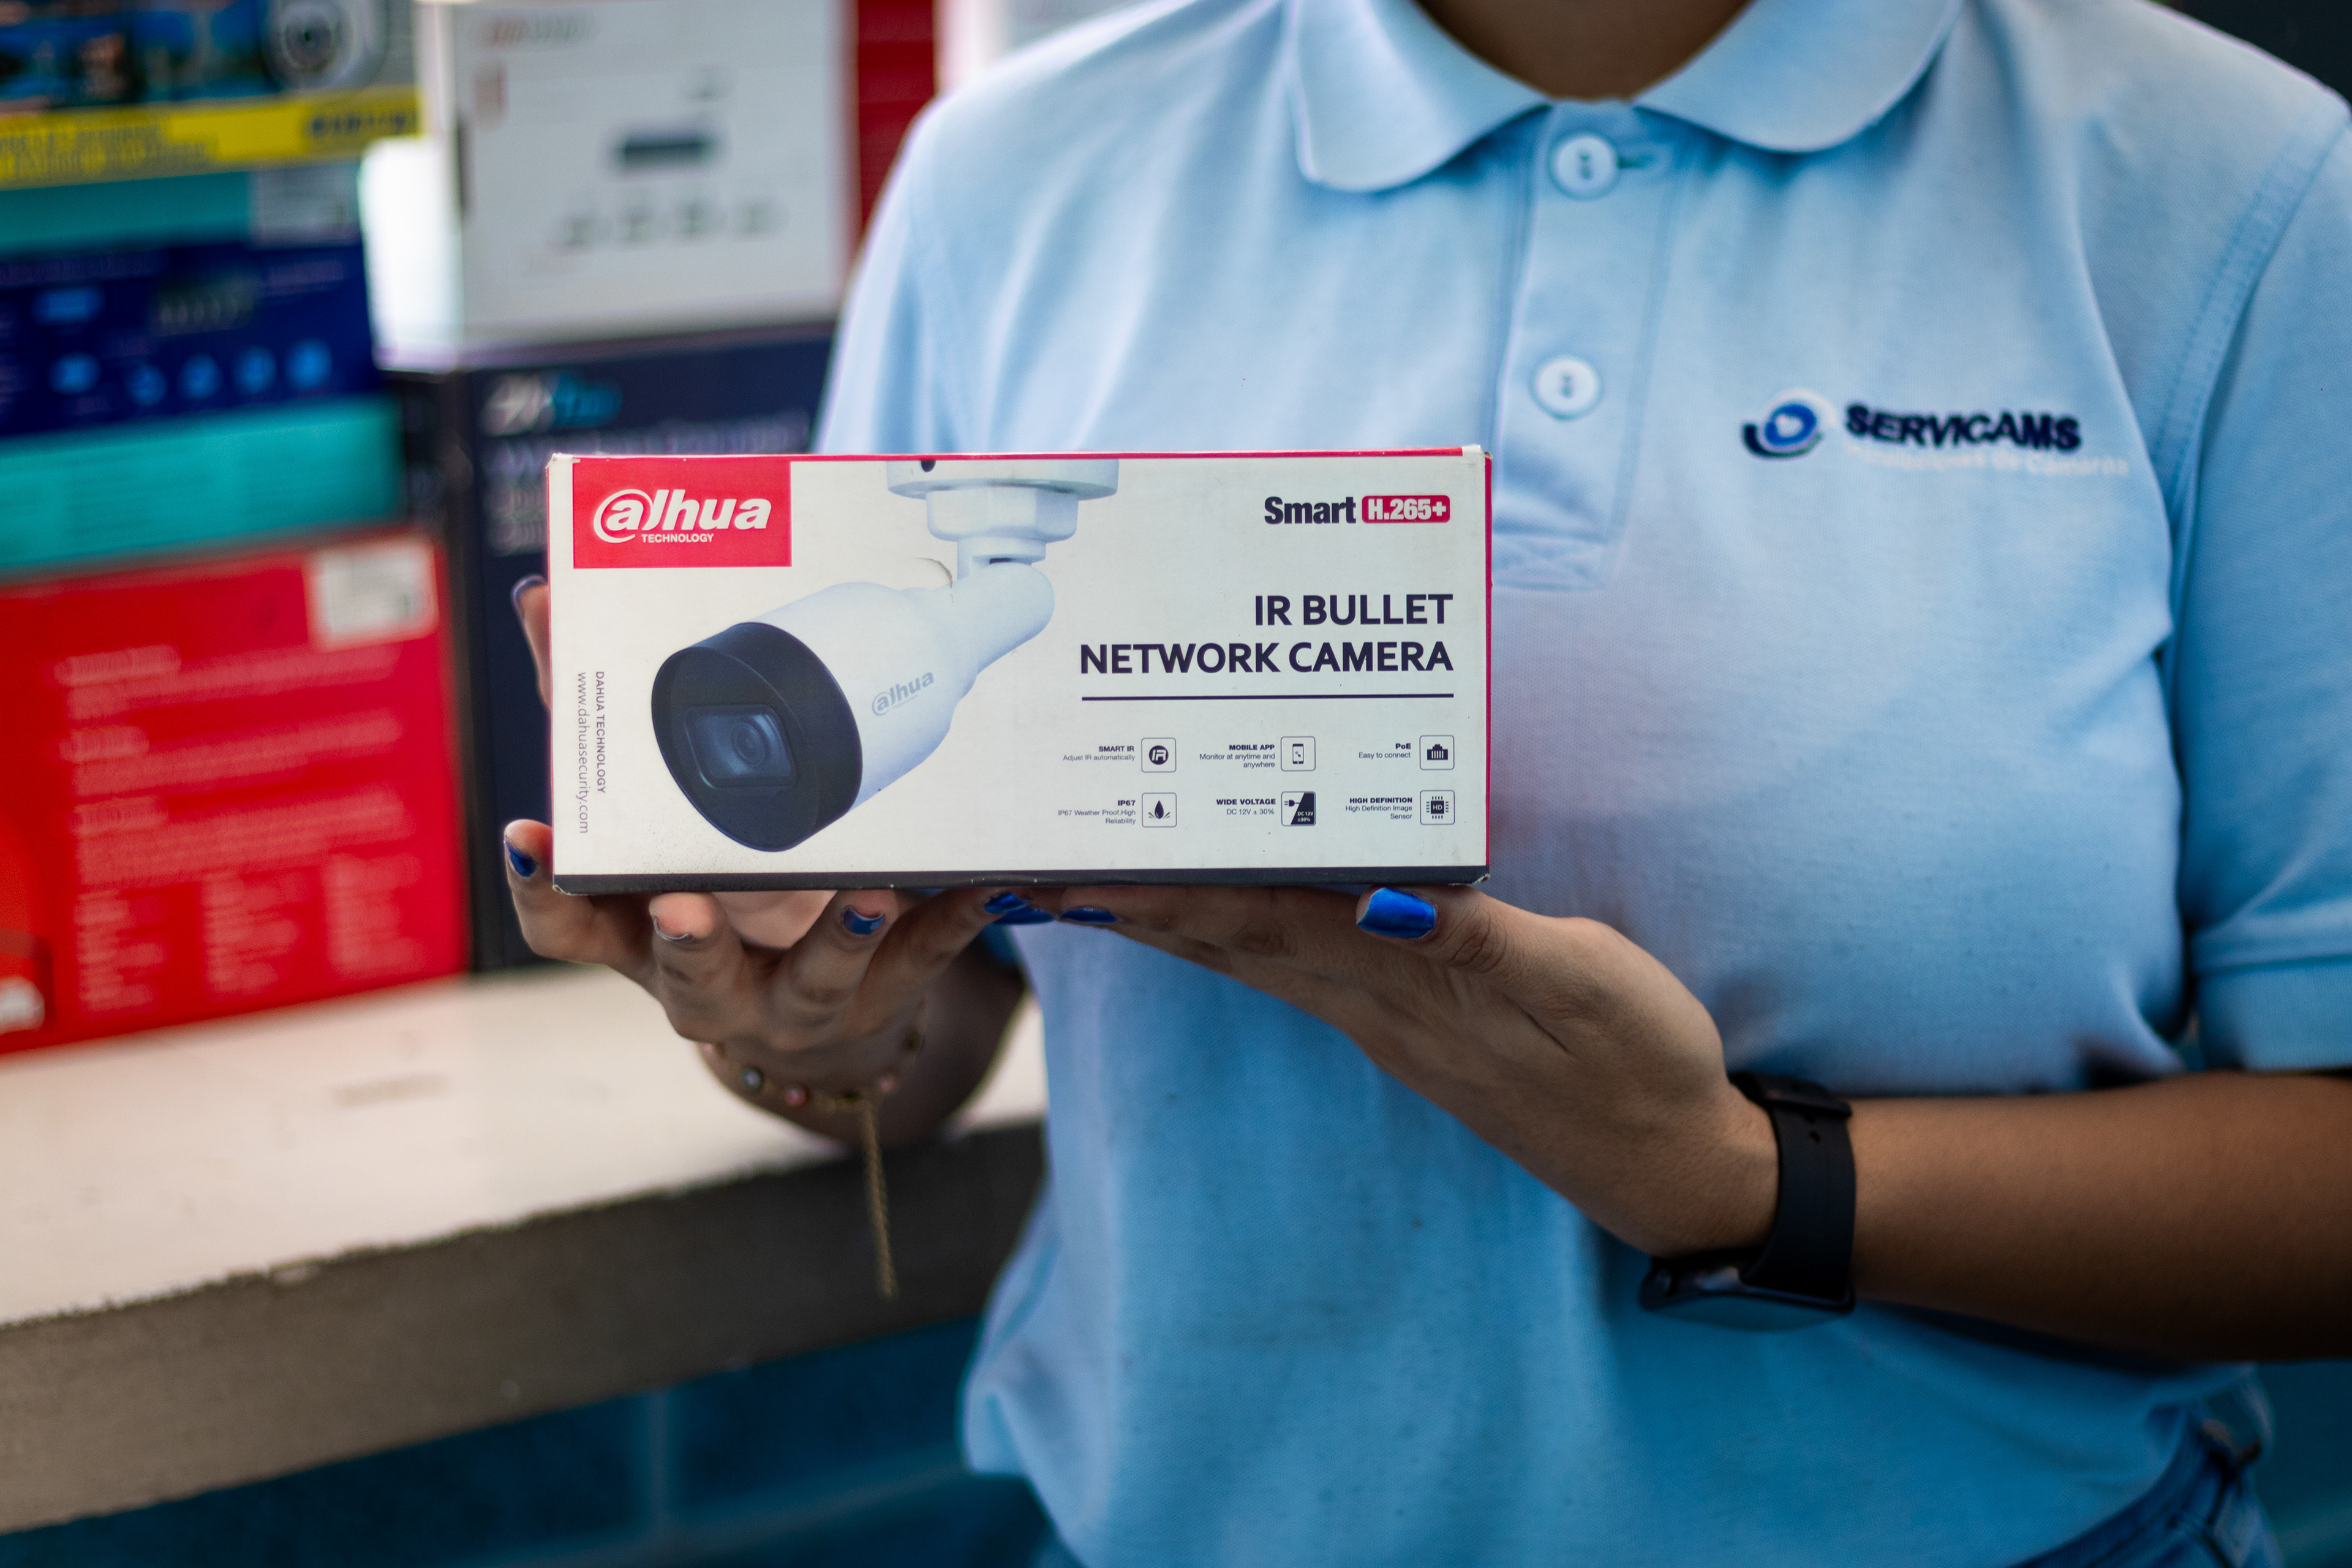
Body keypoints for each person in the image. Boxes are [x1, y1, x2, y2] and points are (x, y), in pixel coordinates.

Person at [500, 0, 2352, 1561]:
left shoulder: (2232, 195)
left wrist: (1737, 1183)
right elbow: (929, 1005)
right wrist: (799, 1023)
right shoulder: (1013, 177)